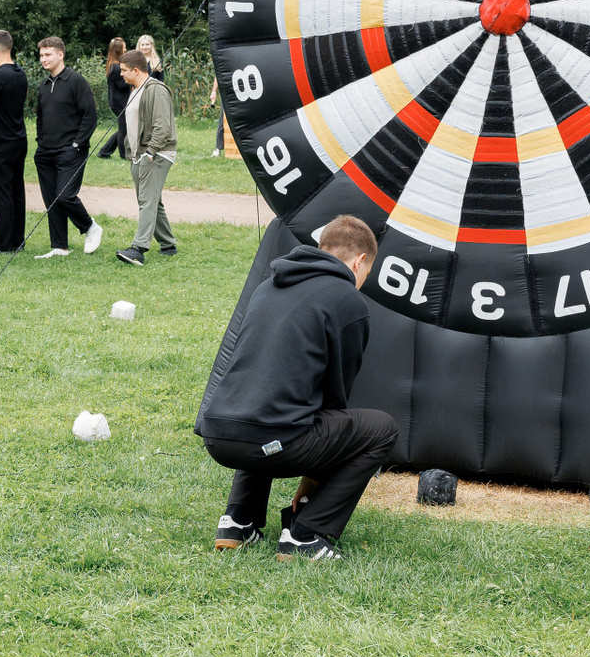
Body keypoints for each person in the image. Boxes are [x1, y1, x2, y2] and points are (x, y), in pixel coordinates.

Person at [196, 215, 394, 561]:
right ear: (359, 261)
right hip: (271, 442)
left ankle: (238, 521)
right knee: (381, 429)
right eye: (366, 272)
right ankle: (305, 535)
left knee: (266, 407)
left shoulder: (268, 286)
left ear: (323, 248)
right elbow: (334, 402)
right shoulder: (347, 300)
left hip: (217, 432)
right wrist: (312, 484)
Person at [32, 36, 102, 258]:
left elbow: (90, 116)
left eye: (48, 54)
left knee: (64, 196)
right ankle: (59, 246)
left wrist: (77, 144)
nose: (43, 59)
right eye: (41, 55)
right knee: (52, 201)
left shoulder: (76, 81)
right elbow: (40, 118)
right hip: (45, 152)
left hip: (71, 151)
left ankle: (90, 227)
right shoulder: (44, 85)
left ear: (60, 54)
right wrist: (40, 143)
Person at [114, 49, 178, 265]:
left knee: (147, 201)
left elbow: (163, 126)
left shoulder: (156, 90)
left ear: (135, 70)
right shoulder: (135, 90)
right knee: (152, 201)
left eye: (124, 70)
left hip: (157, 153)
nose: (121, 74)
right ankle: (168, 244)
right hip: (139, 155)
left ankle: (138, 248)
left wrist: (150, 152)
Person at [0, 31, 28, 254]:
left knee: (1, 193)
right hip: (19, 138)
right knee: (16, 191)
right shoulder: (19, 73)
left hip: (1, 142)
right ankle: (17, 241)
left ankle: (2, 245)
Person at [96, 38, 129, 159]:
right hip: (119, 102)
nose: (126, 49)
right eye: (124, 47)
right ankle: (123, 155)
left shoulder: (114, 65)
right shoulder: (116, 67)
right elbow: (122, 85)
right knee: (123, 130)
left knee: (124, 128)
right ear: (119, 50)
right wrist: (132, 79)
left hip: (118, 102)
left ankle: (104, 152)